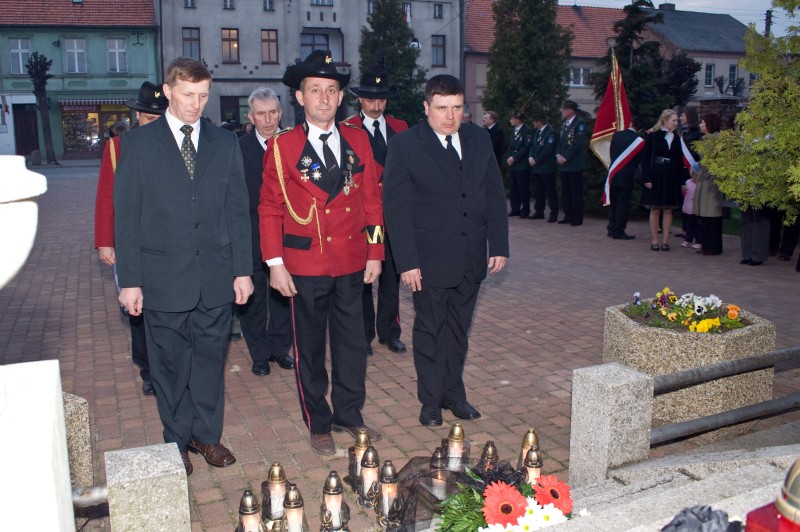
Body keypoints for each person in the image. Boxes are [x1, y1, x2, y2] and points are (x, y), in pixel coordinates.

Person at [114, 57, 254, 476]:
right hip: (162, 278)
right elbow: (127, 216)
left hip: (215, 275)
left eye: (203, 95)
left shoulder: (225, 142)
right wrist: (131, 281)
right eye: (189, 95)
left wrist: (242, 270)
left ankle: (207, 436)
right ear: (169, 91)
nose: (196, 104)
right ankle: (176, 439)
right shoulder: (138, 144)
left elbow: (237, 211)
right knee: (169, 366)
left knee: (210, 361)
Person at [259, 50, 385, 456]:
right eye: (316, 90)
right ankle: (319, 421)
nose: (325, 98)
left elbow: (371, 201)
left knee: (352, 345)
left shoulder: (358, 140)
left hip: (351, 260)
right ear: (299, 97)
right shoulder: (282, 147)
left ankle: (349, 412)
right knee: (310, 350)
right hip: (305, 264)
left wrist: (375, 252)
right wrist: (274, 263)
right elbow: (270, 208)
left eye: (332, 90)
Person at [383, 74, 509, 427]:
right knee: (430, 330)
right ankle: (430, 401)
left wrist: (498, 244)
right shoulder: (406, 145)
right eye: (442, 109)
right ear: (426, 108)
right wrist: (407, 261)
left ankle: (455, 395)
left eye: (456, 108)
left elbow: (494, 193)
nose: (450, 117)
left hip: (470, 256)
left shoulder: (478, 138)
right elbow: (396, 208)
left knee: (458, 331)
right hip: (427, 260)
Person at [94, 81, 168, 396]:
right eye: (148, 118)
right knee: (137, 307)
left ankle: (168, 363)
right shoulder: (118, 147)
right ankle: (147, 368)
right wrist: (105, 241)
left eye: (158, 118)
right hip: (131, 241)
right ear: (137, 115)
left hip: (166, 241)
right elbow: (106, 197)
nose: (153, 124)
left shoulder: (174, 144)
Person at [344, 67, 409, 356]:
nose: (376, 104)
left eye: (381, 99)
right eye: (370, 99)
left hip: (393, 216)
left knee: (392, 279)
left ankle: (389, 332)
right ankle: (363, 335)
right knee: (363, 279)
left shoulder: (401, 127)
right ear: (360, 100)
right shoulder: (347, 129)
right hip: (364, 216)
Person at [238, 87, 294, 376]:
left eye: (273, 112)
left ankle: (280, 348)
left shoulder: (295, 143)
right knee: (253, 298)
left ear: (280, 113)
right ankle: (259, 353)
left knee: (284, 295)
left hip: (287, 234)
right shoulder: (239, 148)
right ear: (251, 117)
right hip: (250, 234)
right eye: (261, 114)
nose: (268, 119)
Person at [641, 109, 688, 251]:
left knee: (668, 209)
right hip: (656, 174)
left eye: (676, 120)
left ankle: (666, 240)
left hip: (671, 175)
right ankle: (654, 239)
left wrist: (682, 181)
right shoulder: (653, 136)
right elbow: (645, 158)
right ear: (664, 120)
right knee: (655, 209)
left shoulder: (676, 138)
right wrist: (646, 178)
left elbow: (679, 161)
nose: (676, 123)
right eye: (673, 120)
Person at [606, 116, 644, 239]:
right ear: (640, 128)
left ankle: (611, 228)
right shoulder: (639, 140)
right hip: (626, 175)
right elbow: (638, 160)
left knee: (614, 202)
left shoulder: (617, 135)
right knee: (623, 204)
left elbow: (611, 153)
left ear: (631, 123)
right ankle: (619, 230)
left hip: (614, 173)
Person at [693, 113, 725, 256]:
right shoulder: (705, 139)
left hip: (711, 183)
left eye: (703, 122)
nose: (700, 124)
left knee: (712, 215)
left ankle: (713, 246)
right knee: (704, 216)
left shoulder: (717, 140)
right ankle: (706, 244)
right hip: (703, 181)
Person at [556, 100, 587, 226]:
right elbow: (560, 141)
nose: (563, 111)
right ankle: (568, 214)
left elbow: (577, 143)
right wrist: (558, 154)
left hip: (573, 164)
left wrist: (566, 157)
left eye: (565, 109)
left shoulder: (579, 123)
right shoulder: (565, 124)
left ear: (571, 111)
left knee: (575, 192)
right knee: (566, 192)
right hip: (564, 164)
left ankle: (577, 217)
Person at [527, 111, 558, 222]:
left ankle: (553, 213)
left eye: (534, 122)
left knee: (550, 191)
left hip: (546, 167)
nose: (533, 124)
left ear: (539, 121)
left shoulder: (550, 132)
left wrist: (537, 160)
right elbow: (533, 146)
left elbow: (547, 150)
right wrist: (530, 157)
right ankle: (539, 211)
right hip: (537, 168)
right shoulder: (537, 132)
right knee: (538, 191)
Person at [505, 111, 533, 218]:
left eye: (512, 118)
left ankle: (525, 209)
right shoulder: (514, 130)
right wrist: (509, 157)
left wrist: (514, 157)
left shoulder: (526, 130)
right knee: (514, 187)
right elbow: (510, 146)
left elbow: (526, 147)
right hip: (513, 164)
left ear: (518, 119)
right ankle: (515, 208)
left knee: (523, 187)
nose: (511, 120)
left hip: (522, 163)